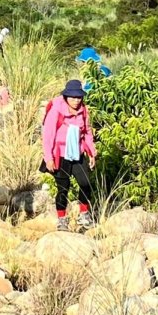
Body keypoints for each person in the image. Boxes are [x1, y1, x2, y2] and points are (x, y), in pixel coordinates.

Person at [41, 80, 97, 232]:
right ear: (66, 97)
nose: (76, 100)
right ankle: (62, 219)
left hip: (77, 153)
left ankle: (84, 214)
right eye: (72, 97)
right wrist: (49, 158)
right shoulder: (56, 111)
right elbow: (48, 135)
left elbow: (87, 132)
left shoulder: (83, 110)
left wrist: (92, 152)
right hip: (60, 155)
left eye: (79, 97)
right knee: (63, 188)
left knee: (86, 183)